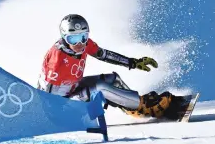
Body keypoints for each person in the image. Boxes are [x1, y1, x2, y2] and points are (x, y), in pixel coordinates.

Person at [37, 14, 174, 118]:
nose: (79, 43)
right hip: (61, 108)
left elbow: (104, 55)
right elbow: (47, 97)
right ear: (64, 38)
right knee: (101, 89)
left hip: (73, 88)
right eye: (73, 39)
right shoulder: (57, 60)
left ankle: (134, 107)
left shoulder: (85, 45)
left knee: (113, 79)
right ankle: (143, 105)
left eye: (83, 37)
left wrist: (132, 62)